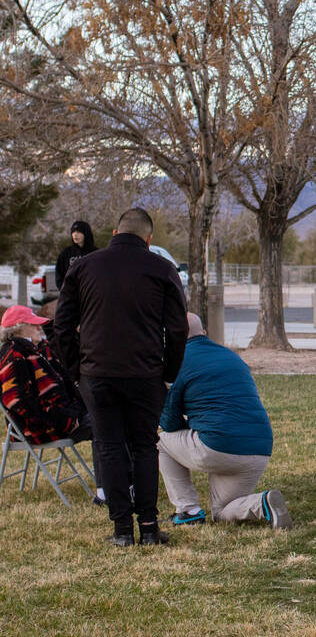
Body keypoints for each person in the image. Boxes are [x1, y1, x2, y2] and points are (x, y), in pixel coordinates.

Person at [54, 207, 188, 547]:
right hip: (146, 374)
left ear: (114, 233)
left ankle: (121, 531)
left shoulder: (84, 267)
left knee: (109, 446)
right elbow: (177, 329)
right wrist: (169, 374)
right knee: (145, 446)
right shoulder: (162, 269)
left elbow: (62, 325)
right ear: (148, 238)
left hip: (97, 374)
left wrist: (76, 370)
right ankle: (148, 526)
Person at [156, 313, 289, 529]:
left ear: (171, 337)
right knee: (222, 512)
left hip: (218, 447)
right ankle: (262, 502)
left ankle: (188, 510)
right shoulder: (233, 356)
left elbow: (169, 424)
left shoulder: (177, 361)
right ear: (204, 334)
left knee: (161, 441)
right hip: (259, 450)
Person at [0, 304, 91, 446]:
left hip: (68, 419)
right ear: (19, 328)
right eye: (33, 324)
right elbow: (14, 399)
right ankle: (116, 469)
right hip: (39, 430)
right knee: (109, 427)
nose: (39, 328)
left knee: (112, 420)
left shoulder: (38, 350)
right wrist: (65, 420)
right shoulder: (14, 355)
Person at [54, 220, 98, 290]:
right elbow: (59, 275)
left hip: (91, 293)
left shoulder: (96, 253)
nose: (75, 234)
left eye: (78, 232)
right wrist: (65, 291)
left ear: (86, 233)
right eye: (73, 232)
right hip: (71, 294)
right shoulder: (66, 253)